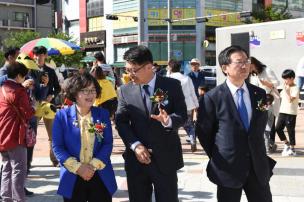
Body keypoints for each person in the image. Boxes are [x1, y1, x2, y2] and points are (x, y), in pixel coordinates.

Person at [196, 45, 275, 202]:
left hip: (257, 166)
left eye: (247, 61)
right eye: (239, 62)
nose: (245, 65)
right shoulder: (212, 98)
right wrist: (222, 153)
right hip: (228, 167)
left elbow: (259, 125)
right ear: (225, 68)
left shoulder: (258, 93)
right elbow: (204, 133)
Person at [115, 45, 187, 202]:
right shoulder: (124, 90)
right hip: (136, 159)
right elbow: (121, 122)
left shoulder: (171, 85)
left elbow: (182, 115)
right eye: (127, 70)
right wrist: (135, 145)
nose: (129, 75)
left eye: (133, 70)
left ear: (149, 67)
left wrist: (168, 121)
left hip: (165, 158)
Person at [52, 73, 117, 201]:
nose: (90, 94)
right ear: (74, 93)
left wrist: (92, 166)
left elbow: (107, 143)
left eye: (93, 90)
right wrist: (79, 168)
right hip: (72, 175)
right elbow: (57, 147)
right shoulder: (61, 116)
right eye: (85, 90)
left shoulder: (102, 114)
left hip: (99, 173)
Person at [0, 62, 35, 202]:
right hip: (16, 133)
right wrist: (34, 107)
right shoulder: (19, 91)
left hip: (2, 132)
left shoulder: (2, 88)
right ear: (19, 75)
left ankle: (5, 198)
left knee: (6, 168)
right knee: (19, 169)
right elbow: (27, 113)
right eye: (24, 75)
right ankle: (19, 199)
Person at [31, 46, 61, 167]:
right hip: (34, 105)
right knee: (32, 134)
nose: (39, 57)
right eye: (37, 55)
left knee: (52, 134)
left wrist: (52, 95)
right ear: (34, 56)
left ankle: (54, 159)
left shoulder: (51, 71)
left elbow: (58, 88)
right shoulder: (29, 70)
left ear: (45, 56)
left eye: (42, 55)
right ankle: (28, 160)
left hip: (48, 105)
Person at [250, 56, 280, 152]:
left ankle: (270, 144)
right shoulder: (254, 75)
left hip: (270, 100)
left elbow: (277, 83)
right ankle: (269, 144)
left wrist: (267, 84)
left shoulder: (267, 70)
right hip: (260, 101)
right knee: (263, 121)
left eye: (249, 66)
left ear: (254, 64)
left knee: (270, 122)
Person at [168, 61, 199, 152]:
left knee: (174, 126)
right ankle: (192, 140)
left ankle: (175, 146)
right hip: (187, 105)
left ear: (170, 68)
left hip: (173, 106)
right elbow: (192, 92)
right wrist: (196, 105)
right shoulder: (187, 78)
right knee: (189, 125)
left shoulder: (168, 78)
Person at [275, 69, 299, 156]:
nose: (285, 81)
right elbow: (279, 96)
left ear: (292, 78)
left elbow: (290, 100)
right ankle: (287, 144)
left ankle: (292, 149)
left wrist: (287, 91)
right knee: (277, 128)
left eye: (286, 79)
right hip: (282, 111)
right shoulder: (286, 87)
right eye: (284, 79)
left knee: (290, 131)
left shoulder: (295, 88)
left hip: (291, 113)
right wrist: (273, 88)